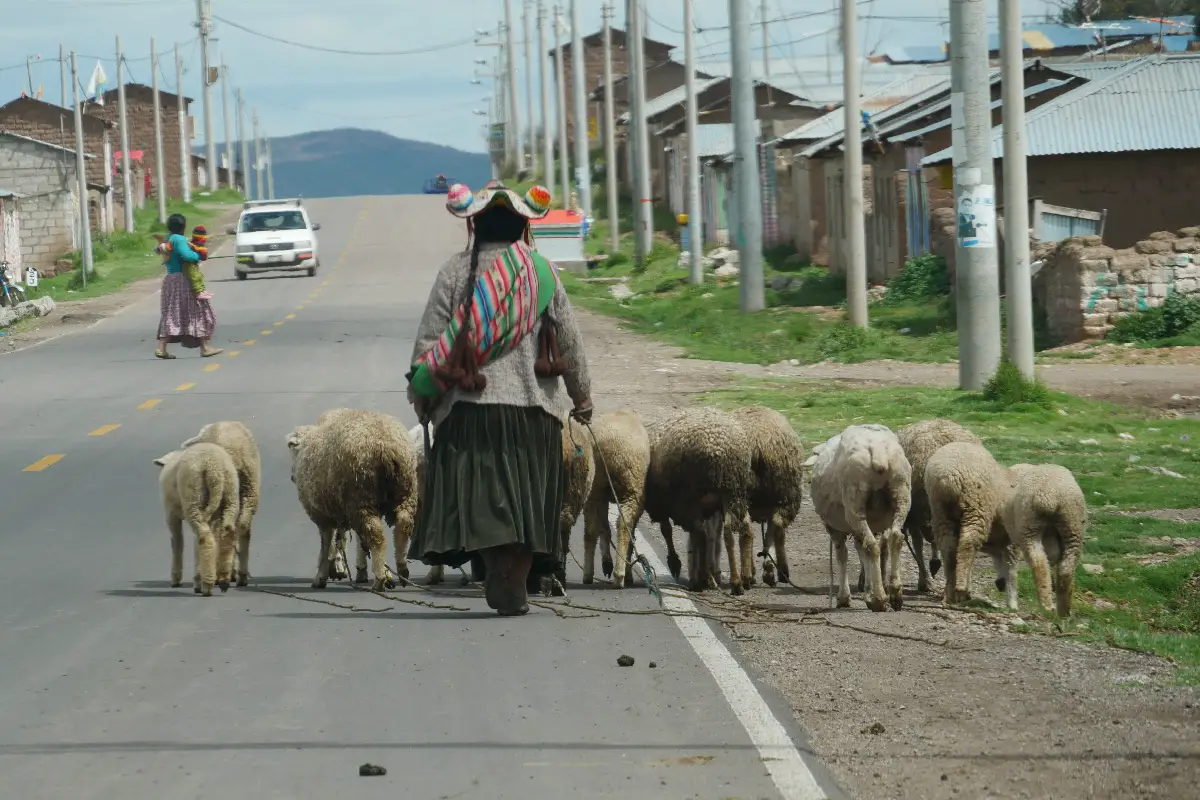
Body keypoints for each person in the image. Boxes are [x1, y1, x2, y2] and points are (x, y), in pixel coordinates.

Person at [406, 180, 592, 617]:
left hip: (469, 412)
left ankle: (496, 561)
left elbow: (429, 345)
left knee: (482, 496)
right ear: (524, 226)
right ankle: (517, 568)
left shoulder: (454, 272)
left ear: (475, 226)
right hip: (534, 412)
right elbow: (570, 342)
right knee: (528, 498)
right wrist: (582, 399)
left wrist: (422, 395)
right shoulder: (542, 273)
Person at [155, 213, 221, 359]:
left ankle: (161, 348)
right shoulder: (178, 239)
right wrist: (199, 255)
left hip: (170, 279)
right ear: (184, 228)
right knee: (198, 310)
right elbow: (187, 255)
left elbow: (159, 250)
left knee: (172, 313)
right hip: (183, 280)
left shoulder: (168, 239)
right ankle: (204, 347)